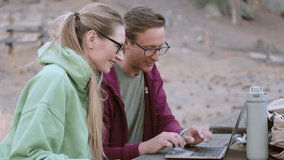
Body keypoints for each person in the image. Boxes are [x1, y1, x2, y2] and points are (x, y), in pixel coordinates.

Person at [0, 2, 125, 160]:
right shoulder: (54, 80)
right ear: (92, 39)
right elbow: (27, 157)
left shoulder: (84, 85)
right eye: (118, 46)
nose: (121, 57)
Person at [101, 5, 212, 160]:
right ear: (126, 42)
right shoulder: (103, 83)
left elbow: (163, 118)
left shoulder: (151, 73)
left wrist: (182, 133)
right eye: (150, 49)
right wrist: (143, 148)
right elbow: (99, 153)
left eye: (160, 48)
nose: (157, 57)